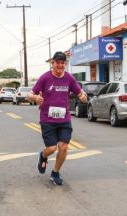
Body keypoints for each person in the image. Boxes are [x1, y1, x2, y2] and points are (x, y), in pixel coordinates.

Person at [28, 51, 87, 185]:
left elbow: (81, 93)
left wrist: (83, 97)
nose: (60, 65)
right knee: (51, 148)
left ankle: (55, 173)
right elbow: (30, 94)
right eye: (57, 63)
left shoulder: (69, 78)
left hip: (64, 119)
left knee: (64, 147)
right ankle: (43, 156)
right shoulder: (45, 78)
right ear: (52, 63)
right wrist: (35, 97)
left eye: (63, 63)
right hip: (47, 119)